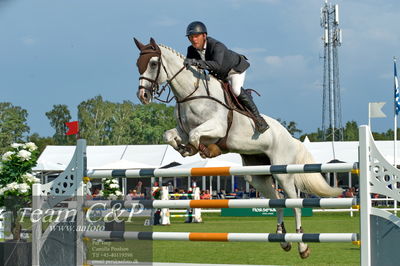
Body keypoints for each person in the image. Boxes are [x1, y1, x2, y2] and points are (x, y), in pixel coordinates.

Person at [184, 21, 269, 133]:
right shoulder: (191, 50)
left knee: (236, 90)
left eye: (196, 36)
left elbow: (217, 65)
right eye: (191, 37)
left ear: (204, 35)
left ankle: (259, 120)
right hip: (218, 74)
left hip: (234, 70)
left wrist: (196, 62)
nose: (193, 40)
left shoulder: (216, 46)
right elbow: (192, 68)